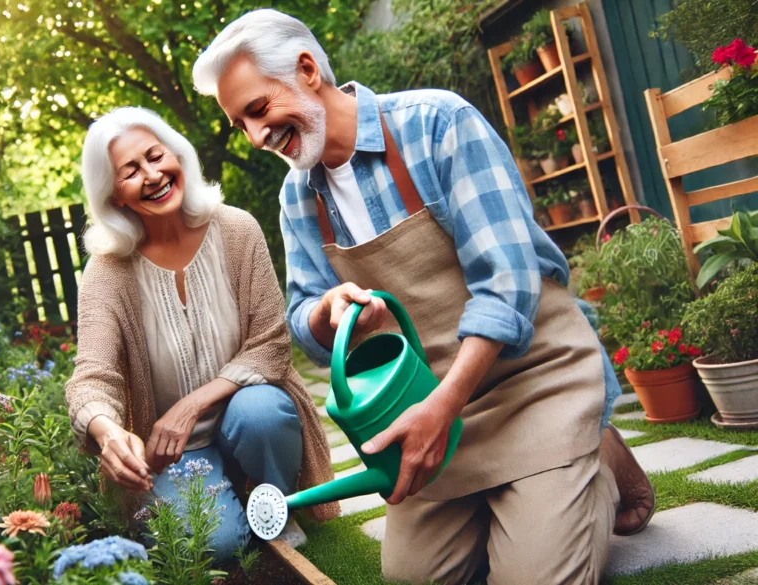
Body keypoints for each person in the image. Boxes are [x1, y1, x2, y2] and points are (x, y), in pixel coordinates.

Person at [192, 9, 653, 583]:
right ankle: (528, 491)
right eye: (242, 124)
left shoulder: (436, 125)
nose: (258, 136)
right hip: (425, 413)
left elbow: (508, 283)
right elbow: (301, 316)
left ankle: (589, 448)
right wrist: (325, 313)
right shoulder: (297, 199)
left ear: (307, 69)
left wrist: (444, 406)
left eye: (258, 109)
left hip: (531, 384)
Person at [63, 107, 338, 562]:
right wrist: (108, 431)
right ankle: (232, 502)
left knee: (263, 411)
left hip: (247, 419)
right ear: (115, 196)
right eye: (131, 171)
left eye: (156, 156)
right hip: (174, 453)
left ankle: (273, 500)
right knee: (214, 546)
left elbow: (271, 344)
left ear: (178, 155)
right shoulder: (107, 271)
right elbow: (92, 375)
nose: (152, 175)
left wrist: (191, 405)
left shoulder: (236, 229)